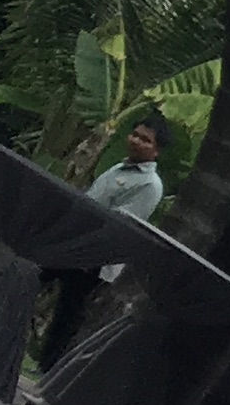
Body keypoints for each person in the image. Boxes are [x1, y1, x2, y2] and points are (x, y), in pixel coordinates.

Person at [40, 118, 163, 364]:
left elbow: (119, 222)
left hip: (96, 257)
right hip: (72, 241)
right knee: (33, 276)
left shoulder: (150, 185)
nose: (136, 141)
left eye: (145, 140)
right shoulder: (118, 168)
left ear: (156, 150)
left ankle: (48, 367)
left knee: (68, 312)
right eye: (135, 134)